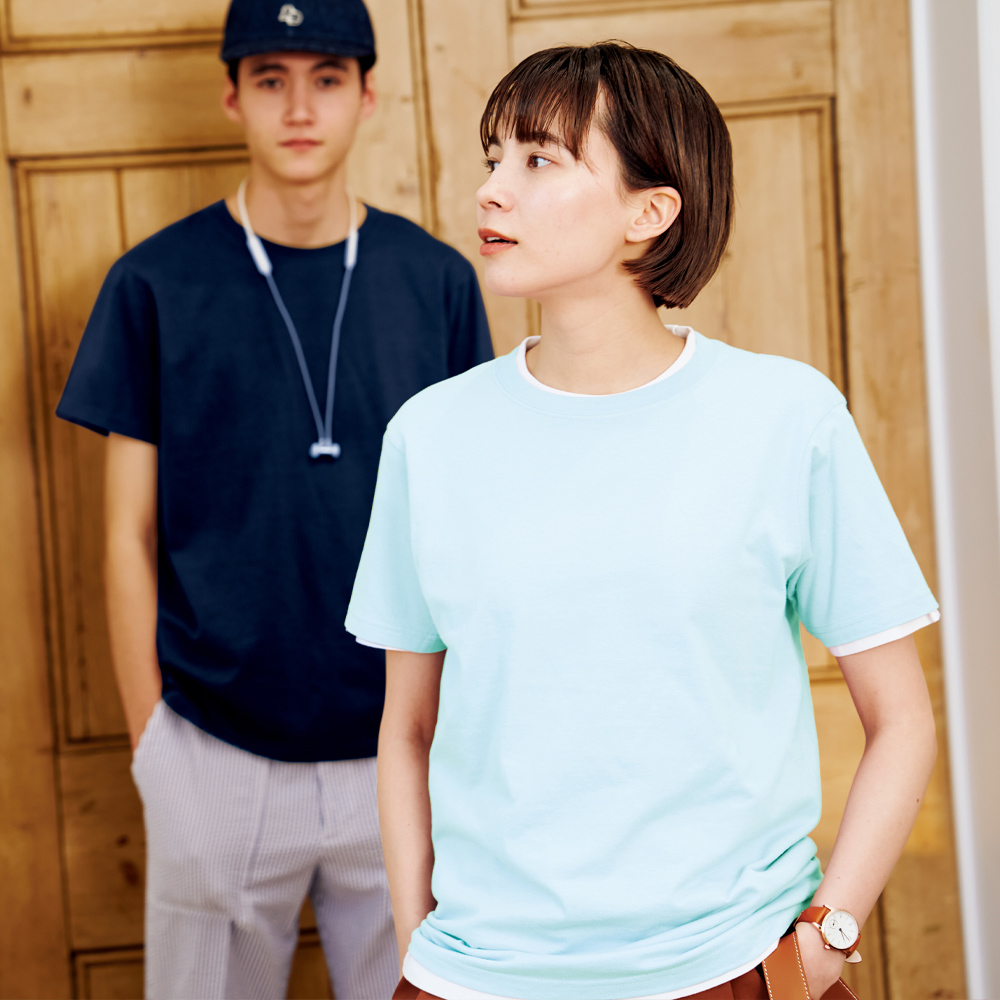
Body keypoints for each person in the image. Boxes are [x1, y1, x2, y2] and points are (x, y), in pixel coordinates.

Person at [345, 42, 940, 1000]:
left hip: (733, 968)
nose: (493, 189)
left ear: (649, 212)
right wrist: (421, 944)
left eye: (539, 161)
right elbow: (406, 727)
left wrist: (820, 945)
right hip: (479, 978)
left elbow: (902, 717)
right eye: (494, 158)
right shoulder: (431, 435)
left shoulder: (786, 418)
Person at [55, 0, 492, 996]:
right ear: (232, 97)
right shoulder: (153, 283)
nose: (299, 107)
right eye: (271, 79)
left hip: (403, 743)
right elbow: (125, 534)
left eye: (327, 79)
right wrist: (154, 747)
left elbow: (473, 523)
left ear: (368, 97)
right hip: (215, 747)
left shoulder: (434, 281)